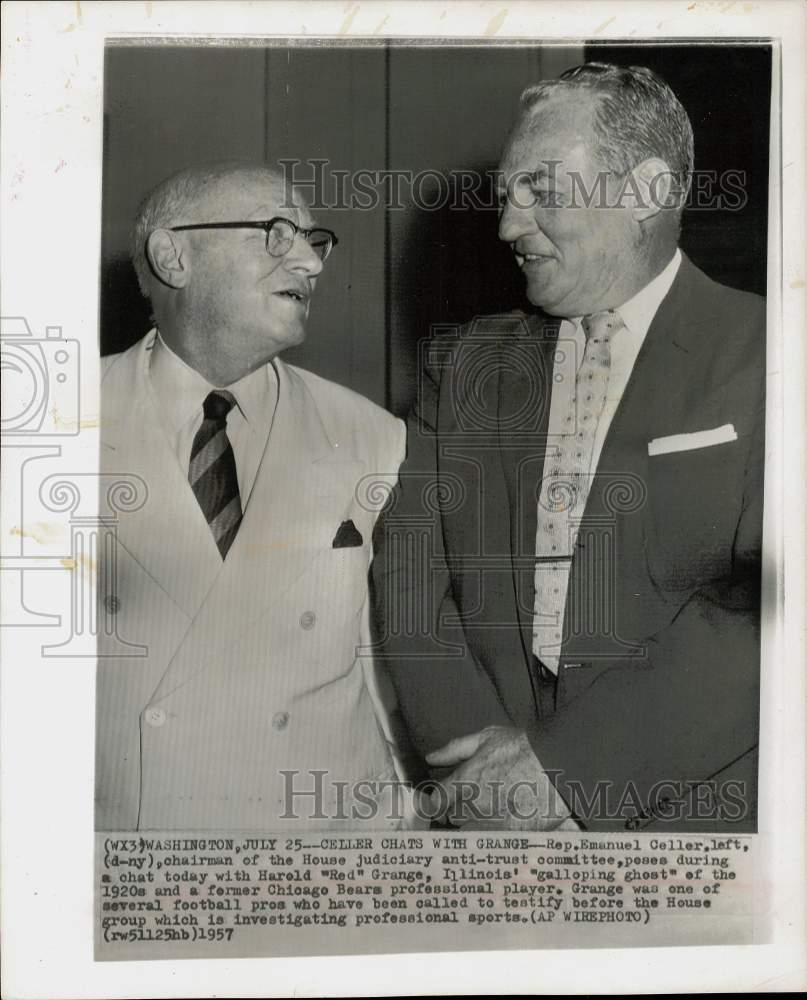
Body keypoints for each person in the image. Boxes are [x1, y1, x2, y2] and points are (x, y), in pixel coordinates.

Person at [372, 63, 765, 832]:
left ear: (648, 191)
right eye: (505, 196)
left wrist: (566, 773)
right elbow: (410, 578)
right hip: (486, 813)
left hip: (698, 820)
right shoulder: (465, 363)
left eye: (541, 192)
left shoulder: (772, 350)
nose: (507, 227)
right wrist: (478, 773)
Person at [95, 162, 407, 831]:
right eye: (274, 233)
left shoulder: (374, 438)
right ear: (172, 255)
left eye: (311, 240)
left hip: (323, 863)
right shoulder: (55, 426)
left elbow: (388, 675)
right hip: (128, 867)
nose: (310, 262)